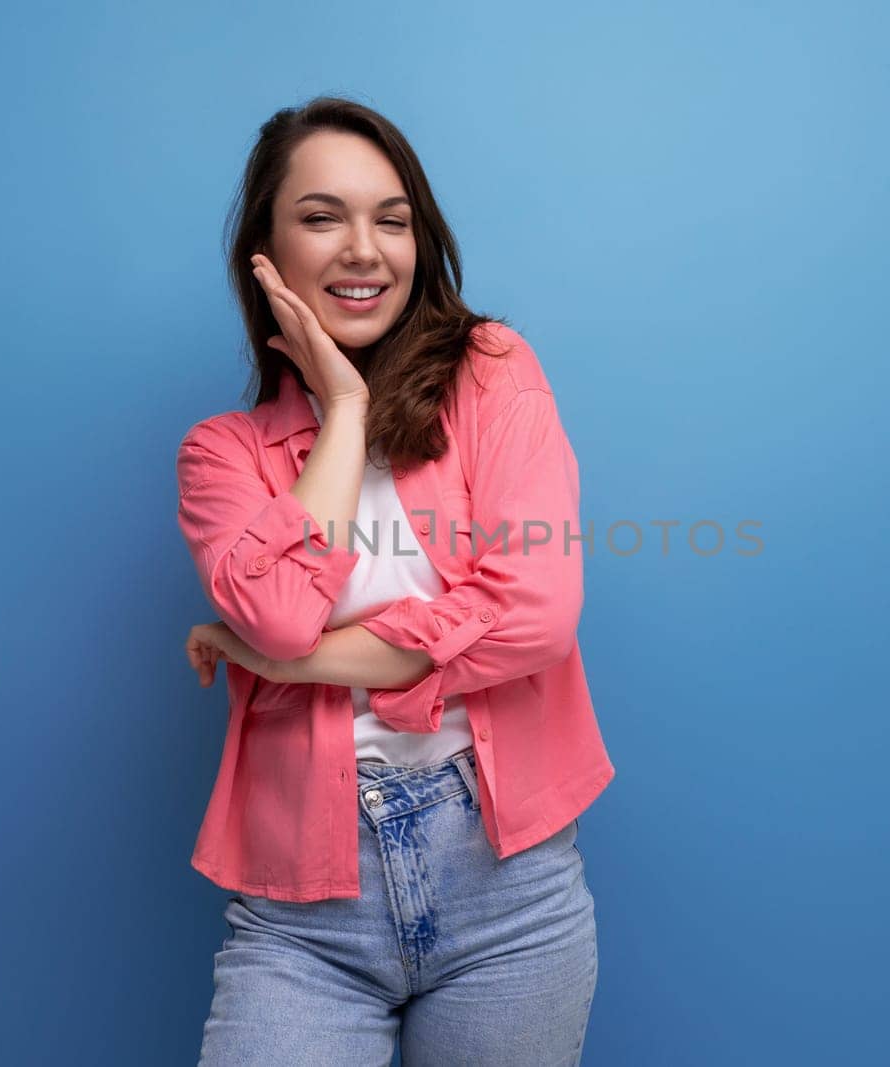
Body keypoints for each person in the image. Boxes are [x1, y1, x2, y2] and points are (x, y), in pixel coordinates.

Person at [174, 96, 617, 1066]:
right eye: (322, 216)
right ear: (265, 250)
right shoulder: (223, 456)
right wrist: (340, 411)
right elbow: (283, 613)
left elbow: (537, 613)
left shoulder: (492, 372)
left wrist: (287, 668)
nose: (364, 249)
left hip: (510, 891)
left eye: (392, 217)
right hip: (308, 917)